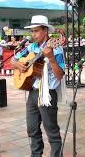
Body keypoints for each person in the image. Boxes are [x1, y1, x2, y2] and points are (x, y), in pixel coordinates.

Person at [10, 15, 65, 157]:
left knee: (51, 129)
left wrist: (51, 58)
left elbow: (60, 75)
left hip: (47, 93)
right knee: (32, 128)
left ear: (45, 31)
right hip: (33, 91)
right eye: (32, 31)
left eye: (36, 31)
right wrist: (19, 65)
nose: (33, 34)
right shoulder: (32, 47)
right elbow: (13, 60)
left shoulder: (56, 48)